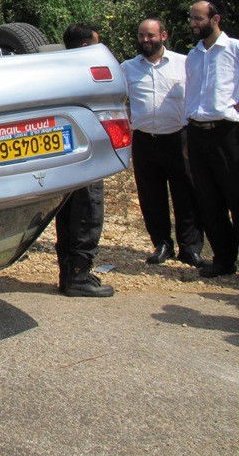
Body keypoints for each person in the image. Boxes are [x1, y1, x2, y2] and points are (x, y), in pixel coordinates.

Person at [121, 18, 205, 266]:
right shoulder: (127, 68)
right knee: (151, 196)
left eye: (150, 35)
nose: (145, 40)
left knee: (187, 194)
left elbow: (195, 96)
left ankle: (190, 248)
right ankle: (162, 244)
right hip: (145, 140)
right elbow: (120, 101)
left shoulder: (184, 63)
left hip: (178, 137)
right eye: (141, 36)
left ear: (164, 36)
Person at [55, 23, 114, 297]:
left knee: (67, 213)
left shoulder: (56, 70)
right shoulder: (86, 73)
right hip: (87, 152)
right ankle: (78, 276)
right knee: (88, 210)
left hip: (64, 153)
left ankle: (68, 274)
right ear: (86, 46)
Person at [184, 0, 239, 278]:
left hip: (227, 133)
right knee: (208, 200)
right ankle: (223, 260)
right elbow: (191, 94)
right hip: (197, 133)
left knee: (235, 196)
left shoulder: (234, 49)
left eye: (198, 18)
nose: (193, 24)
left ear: (215, 19)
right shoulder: (193, 55)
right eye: (192, 18)